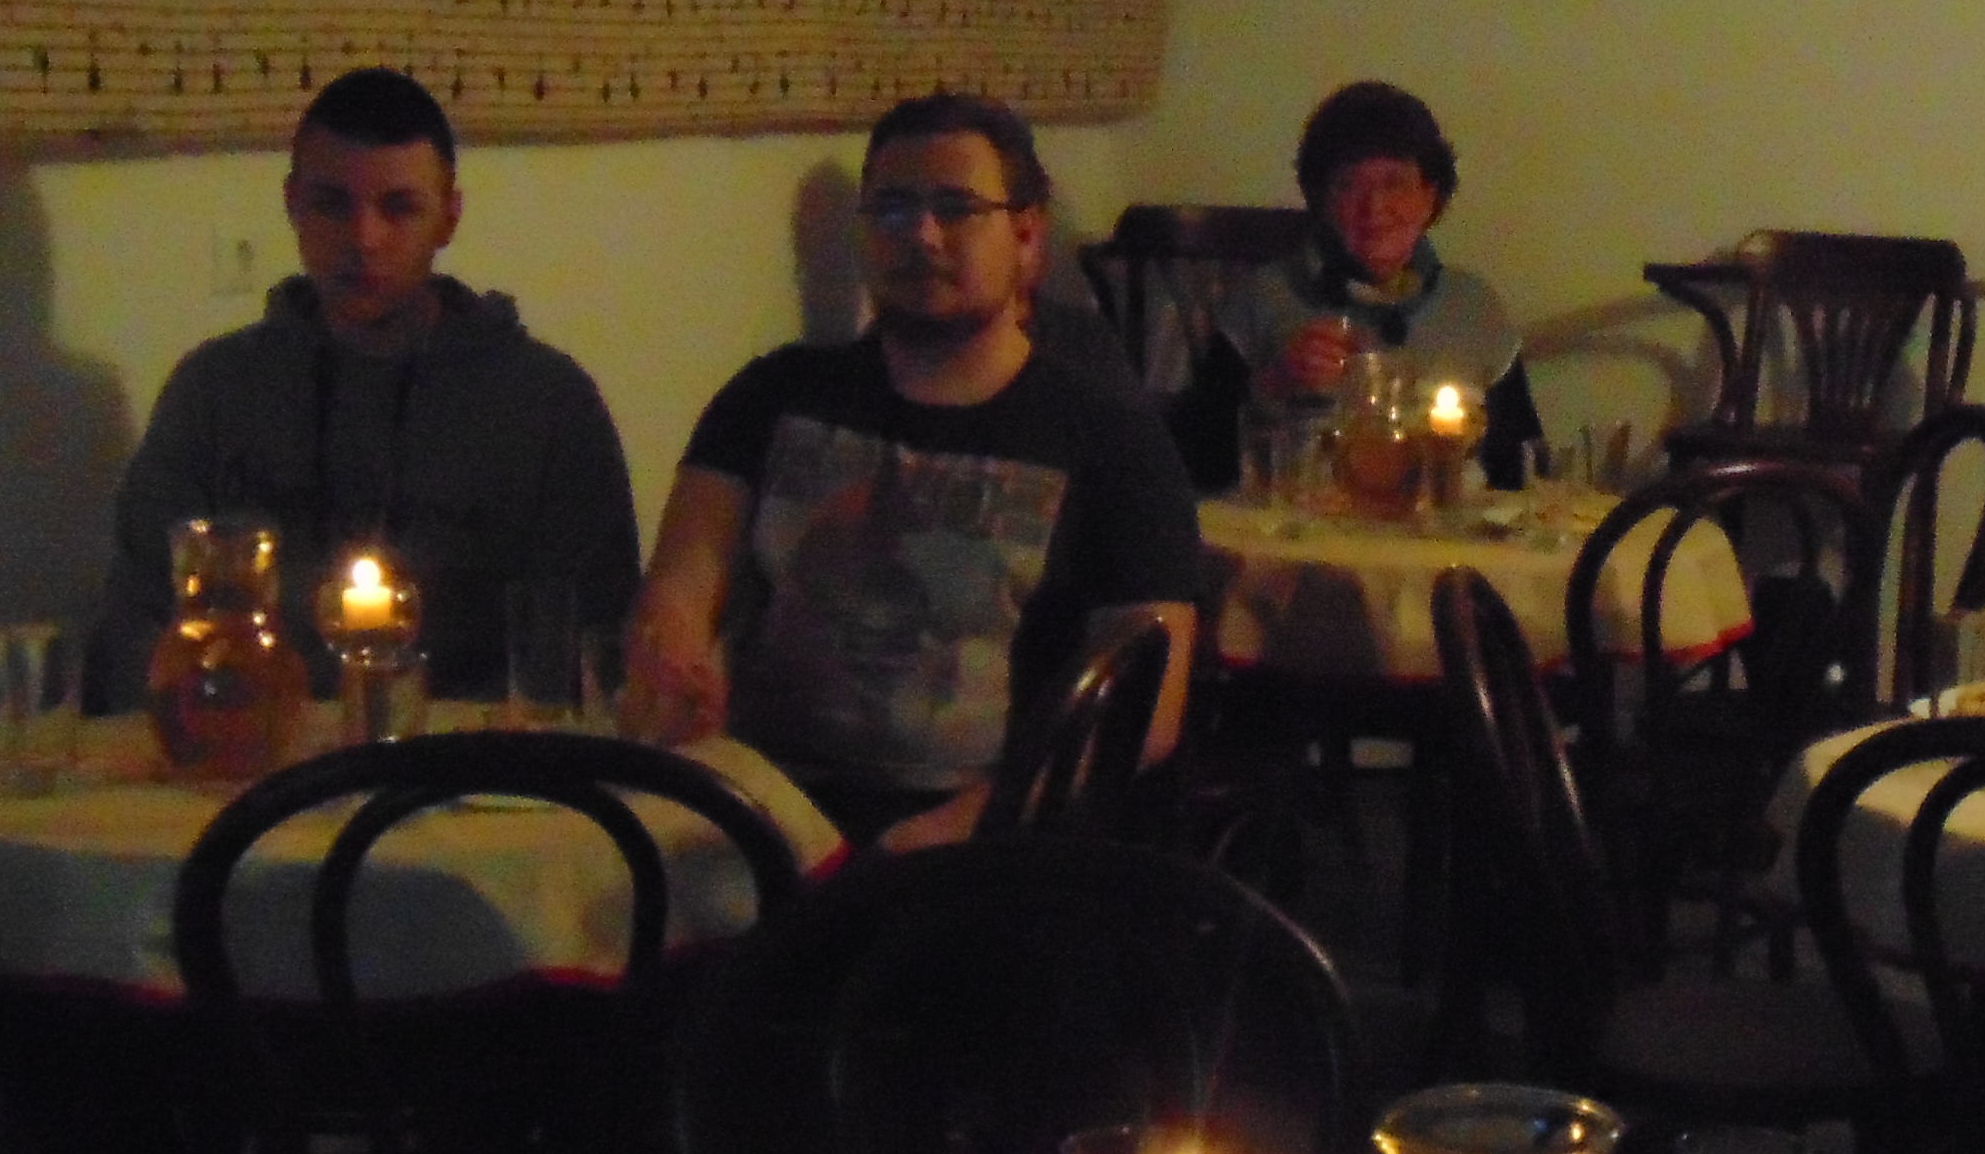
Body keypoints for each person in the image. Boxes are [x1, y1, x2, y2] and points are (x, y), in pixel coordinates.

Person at [627, 90, 1204, 846]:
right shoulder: (772, 394)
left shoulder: (1110, 436)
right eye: (893, 208)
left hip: (984, 832)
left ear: (1027, 236)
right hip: (754, 805)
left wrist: (947, 833)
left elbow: (1143, 711)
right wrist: (674, 658)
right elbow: (682, 578)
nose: (921, 236)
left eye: (956, 208)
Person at [93, 66, 637, 707]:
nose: (363, 239)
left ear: (448, 217)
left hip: (478, 753)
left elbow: (594, 649)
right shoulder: (214, 392)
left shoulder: (547, 404)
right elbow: (137, 624)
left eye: (399, 208)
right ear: (293, 204)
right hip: (255, 748)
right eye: (333, 205)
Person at [1215, 80, 1544, 491]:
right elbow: (1190, 462)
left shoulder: (1472, 308)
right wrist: (1275, 382)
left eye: (1395, 183)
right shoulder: (1266, 298)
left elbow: (1523, 470)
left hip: (1442, 527)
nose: (1374, 208)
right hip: (1305, 524)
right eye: (1348, 186)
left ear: (1430, 196)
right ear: (1321, 200)